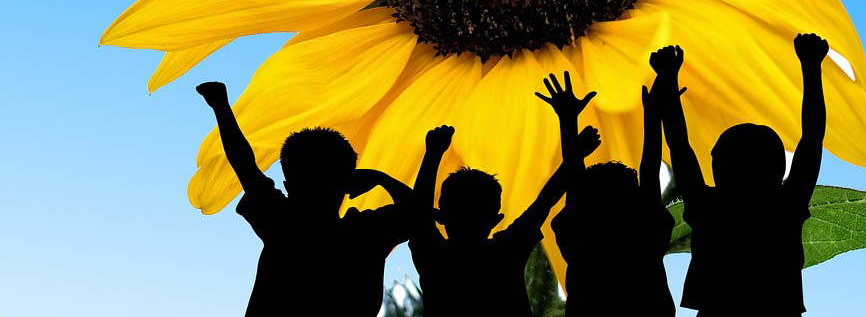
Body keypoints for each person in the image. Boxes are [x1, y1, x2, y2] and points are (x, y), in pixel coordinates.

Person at [195, 81, 411, 317]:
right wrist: (382, 179)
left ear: (289, 185)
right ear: (349, 182)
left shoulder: (282, 222)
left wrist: (221, 107)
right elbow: (417, 213)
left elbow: (244, 164)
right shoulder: (366, 233)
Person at [655, 34, 830, 316]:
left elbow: (678, 144)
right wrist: (811, 67)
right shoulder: (786, 205)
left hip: (717, 308)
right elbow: (812, 138)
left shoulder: (707, 206)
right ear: (778, 168)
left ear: (718, 167)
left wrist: (667, 79)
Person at [410, 74, 600, 317]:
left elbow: (417, 216)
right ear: (496, 219)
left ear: (440, 215)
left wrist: (433, 154)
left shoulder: (434, 258)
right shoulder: (505, 252)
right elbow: (549, 197)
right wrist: (568, 123)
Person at [550, 68, 676, 316]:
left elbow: (574, 175)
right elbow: (649, 167)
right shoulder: (644, 229)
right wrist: (653, 113)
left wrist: (567, 118)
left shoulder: (581, 233)